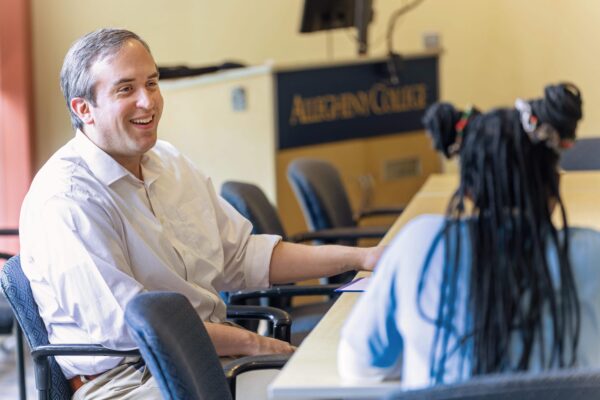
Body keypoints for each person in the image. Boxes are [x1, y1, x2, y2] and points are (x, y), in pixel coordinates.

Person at [19, 28, 383, 399]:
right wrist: (258, 346)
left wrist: (364, 257)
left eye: (152, 83)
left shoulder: (169, 161)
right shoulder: (66, 198)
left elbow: (241, 256)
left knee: (357, 377)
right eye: (126, 89)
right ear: (84, 109)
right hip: (131, 380)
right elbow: (137, 327)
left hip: (208, 355)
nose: (148, 102)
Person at [337, 83, 600, 389]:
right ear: (554, 183)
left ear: (469, 190)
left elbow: (359, 367)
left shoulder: (420, 245)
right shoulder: (591, 252)